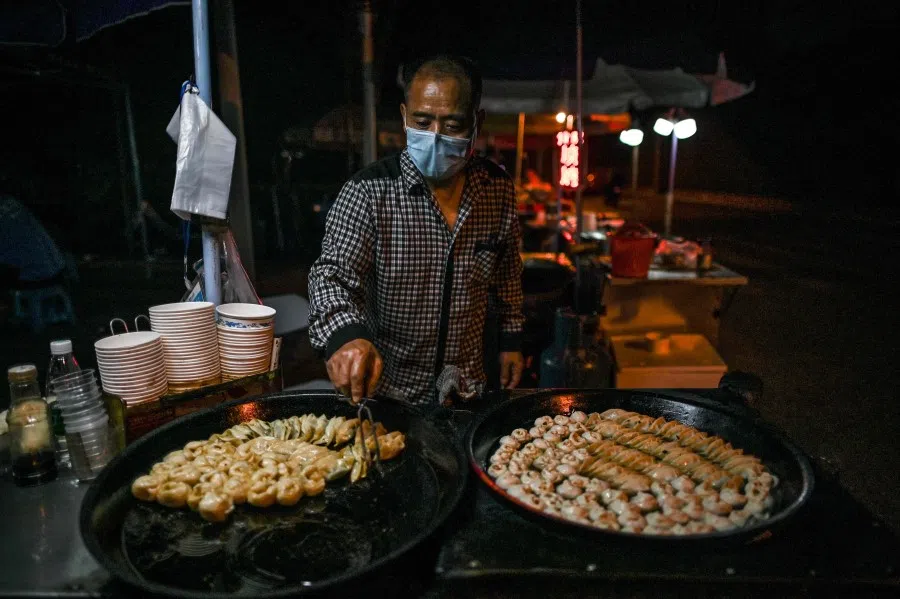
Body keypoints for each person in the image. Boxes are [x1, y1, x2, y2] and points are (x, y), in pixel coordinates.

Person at [308, 55, 525, 406]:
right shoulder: (369, 191)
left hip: (467, 390)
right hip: (391, 394)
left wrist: (512, 342)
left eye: (453, 125)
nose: (435, 137)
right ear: (406, 116)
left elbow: (508, 273)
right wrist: (345, 336)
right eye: (423, 122)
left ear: (476, 122)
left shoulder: (496, 189)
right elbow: (331, 276)